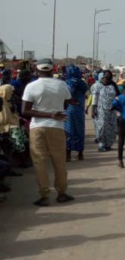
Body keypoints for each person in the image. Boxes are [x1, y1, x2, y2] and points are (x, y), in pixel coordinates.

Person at [21, 58, 75, 206]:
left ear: (36, 70)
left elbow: (25, 110)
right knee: (59, 161)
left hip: (37, 127)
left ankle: (44, 195)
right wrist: (52, 114)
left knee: (40, 162)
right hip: (57, 127)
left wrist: (46, 114)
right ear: (53, 69)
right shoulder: (62, 85)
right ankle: (62, 193)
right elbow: (66, 103)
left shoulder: (31, 86)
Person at [90, 70, 120, 152]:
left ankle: (108, 145)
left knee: (111, 128)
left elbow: (118, 96)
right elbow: (94, 99)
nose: (107, 76)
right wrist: (93, 110)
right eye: (106, 74)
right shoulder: (97, 86)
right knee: (102, 128)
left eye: (109, 74)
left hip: (112, 111)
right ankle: (101, 145)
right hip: (101, 110)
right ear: (102, 76)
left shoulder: (113, 85)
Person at [64, 65, 88, 161]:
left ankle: (68, 155)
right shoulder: (82, 83)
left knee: (69, 131)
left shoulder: (69, 82)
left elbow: (70, 93)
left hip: (70, 109)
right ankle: (80, 154)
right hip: (80, 109)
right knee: (80, 131)